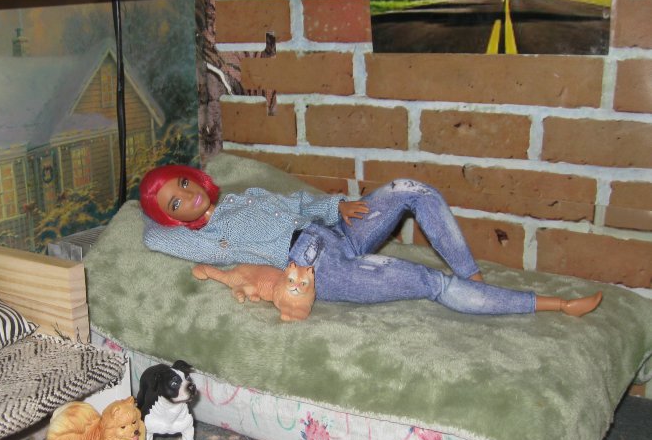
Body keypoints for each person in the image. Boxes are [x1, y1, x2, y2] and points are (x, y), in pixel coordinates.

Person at [138, 164, 602, 317]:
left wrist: (336, 205)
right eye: (175, 202)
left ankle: (473, 277)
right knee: (428, 280)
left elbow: (299, 202)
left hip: (338, 231)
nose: (188, 195)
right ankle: (552, 305)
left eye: (183, 183)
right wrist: (152, 207)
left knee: (410, 189)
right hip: (315, 266)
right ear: (171, 217)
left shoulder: (245, 197)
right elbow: (153, 237)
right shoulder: (205, 240)